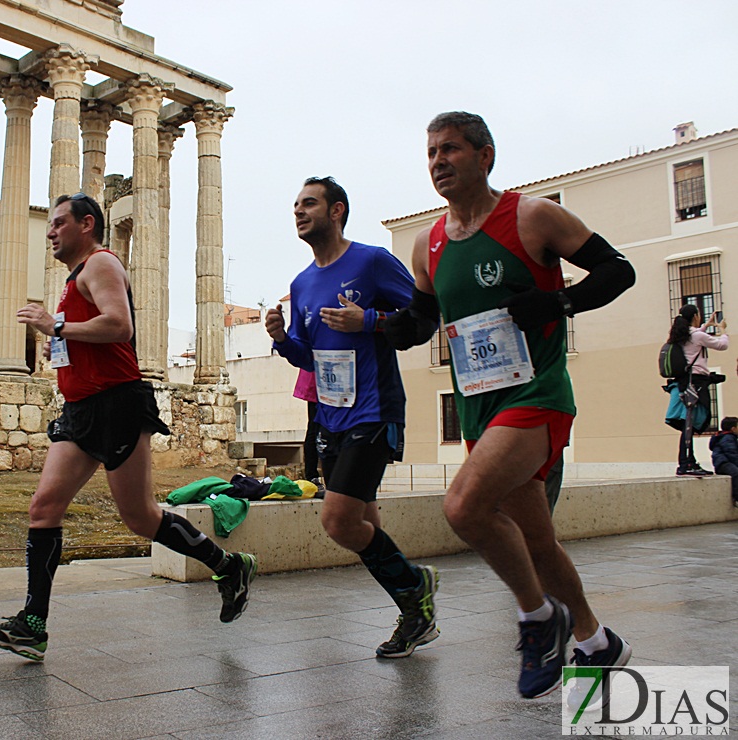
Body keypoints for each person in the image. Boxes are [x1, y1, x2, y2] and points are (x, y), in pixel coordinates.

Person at [384, 112, 636, 698]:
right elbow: (421, 320)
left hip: (536, 394)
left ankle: (539, 618)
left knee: (464, 507)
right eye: (430, 153)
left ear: (485, 156)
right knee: (537, 541)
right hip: (479, 406)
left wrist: (560, 305)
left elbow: (616, 270)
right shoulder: (431, 243)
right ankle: (599, 642)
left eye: (450, 150)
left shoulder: (531, 216)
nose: (438, 161)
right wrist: (378, 328)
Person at [0, 193, 257, 661]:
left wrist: (56, 328)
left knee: (140, 517)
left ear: (87, 224)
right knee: (43, 507)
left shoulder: (101, 263)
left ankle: (229, 566)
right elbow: (92, 332)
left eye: (59, 222)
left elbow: (119, 326)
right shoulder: (75, 277)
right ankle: (32, 625)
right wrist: (60, 346)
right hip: (82, 410)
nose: (50, 230)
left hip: (117, 404)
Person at [265, 176, 440, 659]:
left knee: (339, 521)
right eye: (295, 204)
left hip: (374, 410)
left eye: (309, 204)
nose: (298, 212)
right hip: (329, 416)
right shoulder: (302, 283)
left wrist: (371, 321)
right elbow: (311, 355)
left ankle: (415, 586)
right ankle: (415, 613)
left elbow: (427, 318)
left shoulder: (372, 262)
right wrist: (282, 339)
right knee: (363, 522)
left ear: (337, 210)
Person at [667, 304, 727, 476]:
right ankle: (686, 464)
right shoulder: (697, 336)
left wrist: (706, 325)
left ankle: (687, 462)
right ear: (694, 316)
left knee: (688, 424)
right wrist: (722, 331)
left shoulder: (680, 335)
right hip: (696, 383)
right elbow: (722, 345)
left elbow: (694, 339)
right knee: (690, 424)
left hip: (684, 383)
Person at [292, 368, 322, 486]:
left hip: (325, 380)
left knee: (314, 429)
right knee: (314, 429)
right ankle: (311, 475)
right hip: (319, 381)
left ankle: (312, 475)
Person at [709, 417, 738, 507]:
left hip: (725, 462)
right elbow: (731, 454)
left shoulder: (730, 437)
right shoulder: (727, 438)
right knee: (736, 473)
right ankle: (736, 498)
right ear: (733, 429)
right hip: (723, 463)